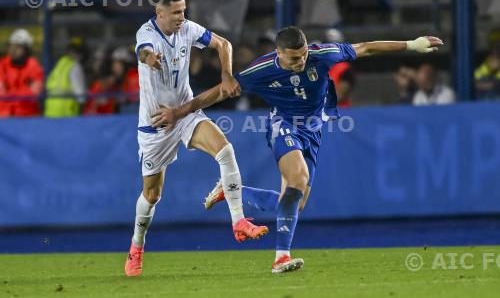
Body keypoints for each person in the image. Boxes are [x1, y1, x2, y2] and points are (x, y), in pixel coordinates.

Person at [151, 27, 443, 273]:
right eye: (294, 58)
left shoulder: (322, 54)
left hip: (314, 130)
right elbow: (218, 92)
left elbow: (365, 48)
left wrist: (412, 45)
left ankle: (233, 190)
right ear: (279, 54)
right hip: (284, 125)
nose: (301, 61)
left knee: (293, 203)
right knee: (299, 178)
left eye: (303, 55)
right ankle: (282, 257)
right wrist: (178, 112)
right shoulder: (261, 70)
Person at [124, 0, 268, 277]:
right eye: (175, 12)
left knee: (226, 151)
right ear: (159, 11)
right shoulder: (146, 34)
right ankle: (136, 247)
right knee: (152, 195)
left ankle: (239, 221)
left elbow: (223, 44)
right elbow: (142, 52)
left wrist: (226, 75)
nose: (181, 16)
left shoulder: (188, 29)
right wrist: (150, 59)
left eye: (183, 10)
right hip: (156, 125)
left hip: (186, 113)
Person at [0, 28, 44, 117]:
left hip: (27, 118)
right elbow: (1, 91)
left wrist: (10, 94)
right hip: (4, 117)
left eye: (18, 47)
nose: (13, 50)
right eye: (11, 46)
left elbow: (34, 93)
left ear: (27, 50)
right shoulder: (3, 64)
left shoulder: (34, 66)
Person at [44, 37, 87, 117]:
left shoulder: (60, 63)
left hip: (50, 111)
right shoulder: (75, 66)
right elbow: (81, 96)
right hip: (66, 113)